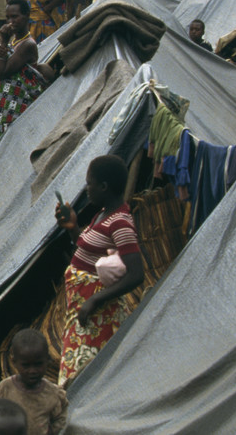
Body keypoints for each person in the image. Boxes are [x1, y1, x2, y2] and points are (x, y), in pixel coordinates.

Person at [54, 154, 144, 386]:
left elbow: (136, 274)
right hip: (84, 309)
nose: (86, 189)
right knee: (79, 372)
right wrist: (72, 227)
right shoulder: (102, 215)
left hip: (98, 314)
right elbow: (89, 254)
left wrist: (95, 300)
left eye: (89, 183)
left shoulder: (121, 223)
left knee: (83, 377)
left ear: (104, 186)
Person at [0, 0, 49, 153]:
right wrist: (2, 48)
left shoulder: (27, 45)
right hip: (5, 107)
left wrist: (3, 42)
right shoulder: (15, 43)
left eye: (15, 17)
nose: (11, 22)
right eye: (8, 18)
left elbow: (1, 73)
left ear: (26, 16)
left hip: (17, 106)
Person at [0, 329, 68, 435]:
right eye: (26, 365)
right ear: (14, 362)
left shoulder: (52, 393)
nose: (32, 371)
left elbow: (61, 416)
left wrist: (53, 430)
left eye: (38, 364)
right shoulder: (5, 388)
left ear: (48, 360)